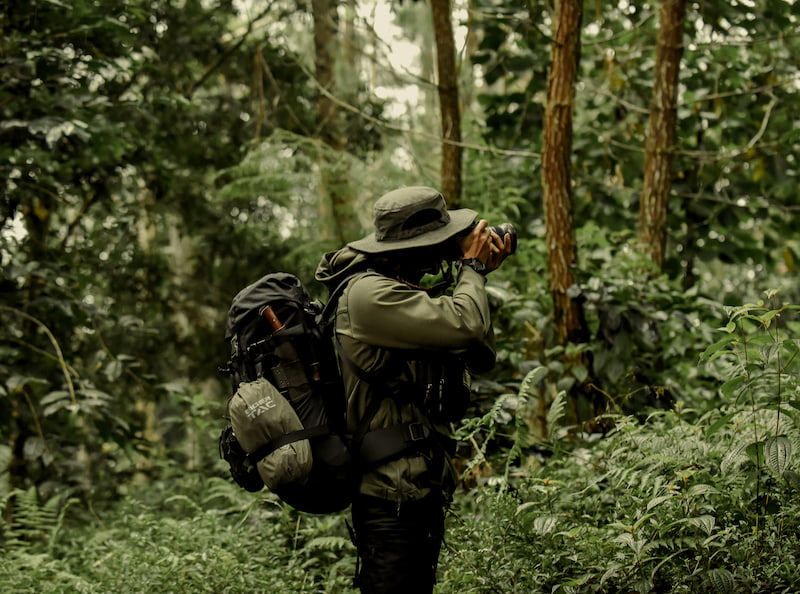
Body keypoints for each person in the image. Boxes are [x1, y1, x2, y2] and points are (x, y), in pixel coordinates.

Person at [315, 185, 512, 593]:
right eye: (439, 241)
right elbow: (467, 325)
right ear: (413, 246)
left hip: (417, 490)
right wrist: (471, 269)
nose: (445, 249)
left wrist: (474, 273)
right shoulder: (368, 295)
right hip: (391, 497)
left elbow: (476, 350)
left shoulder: (399, 290)